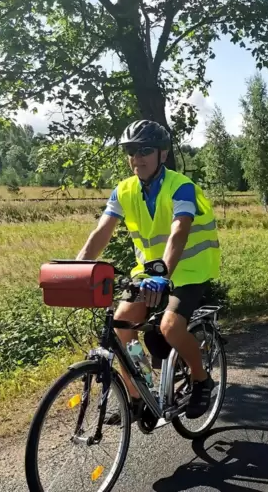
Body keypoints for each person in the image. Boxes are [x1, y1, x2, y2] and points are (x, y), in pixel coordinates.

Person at [77, 119, 221, 421]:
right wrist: (78, 268)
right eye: (131, 150)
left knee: (170, 326)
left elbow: (179, 230)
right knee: (121, 324)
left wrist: (163, 274)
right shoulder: (124, 190)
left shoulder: (181, 187)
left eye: (145, 150)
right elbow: (101, 233)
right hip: (149, 273)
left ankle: (201, 379)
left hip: (189, 271)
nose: (137, 157)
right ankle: (138, 393)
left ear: (163, 154)